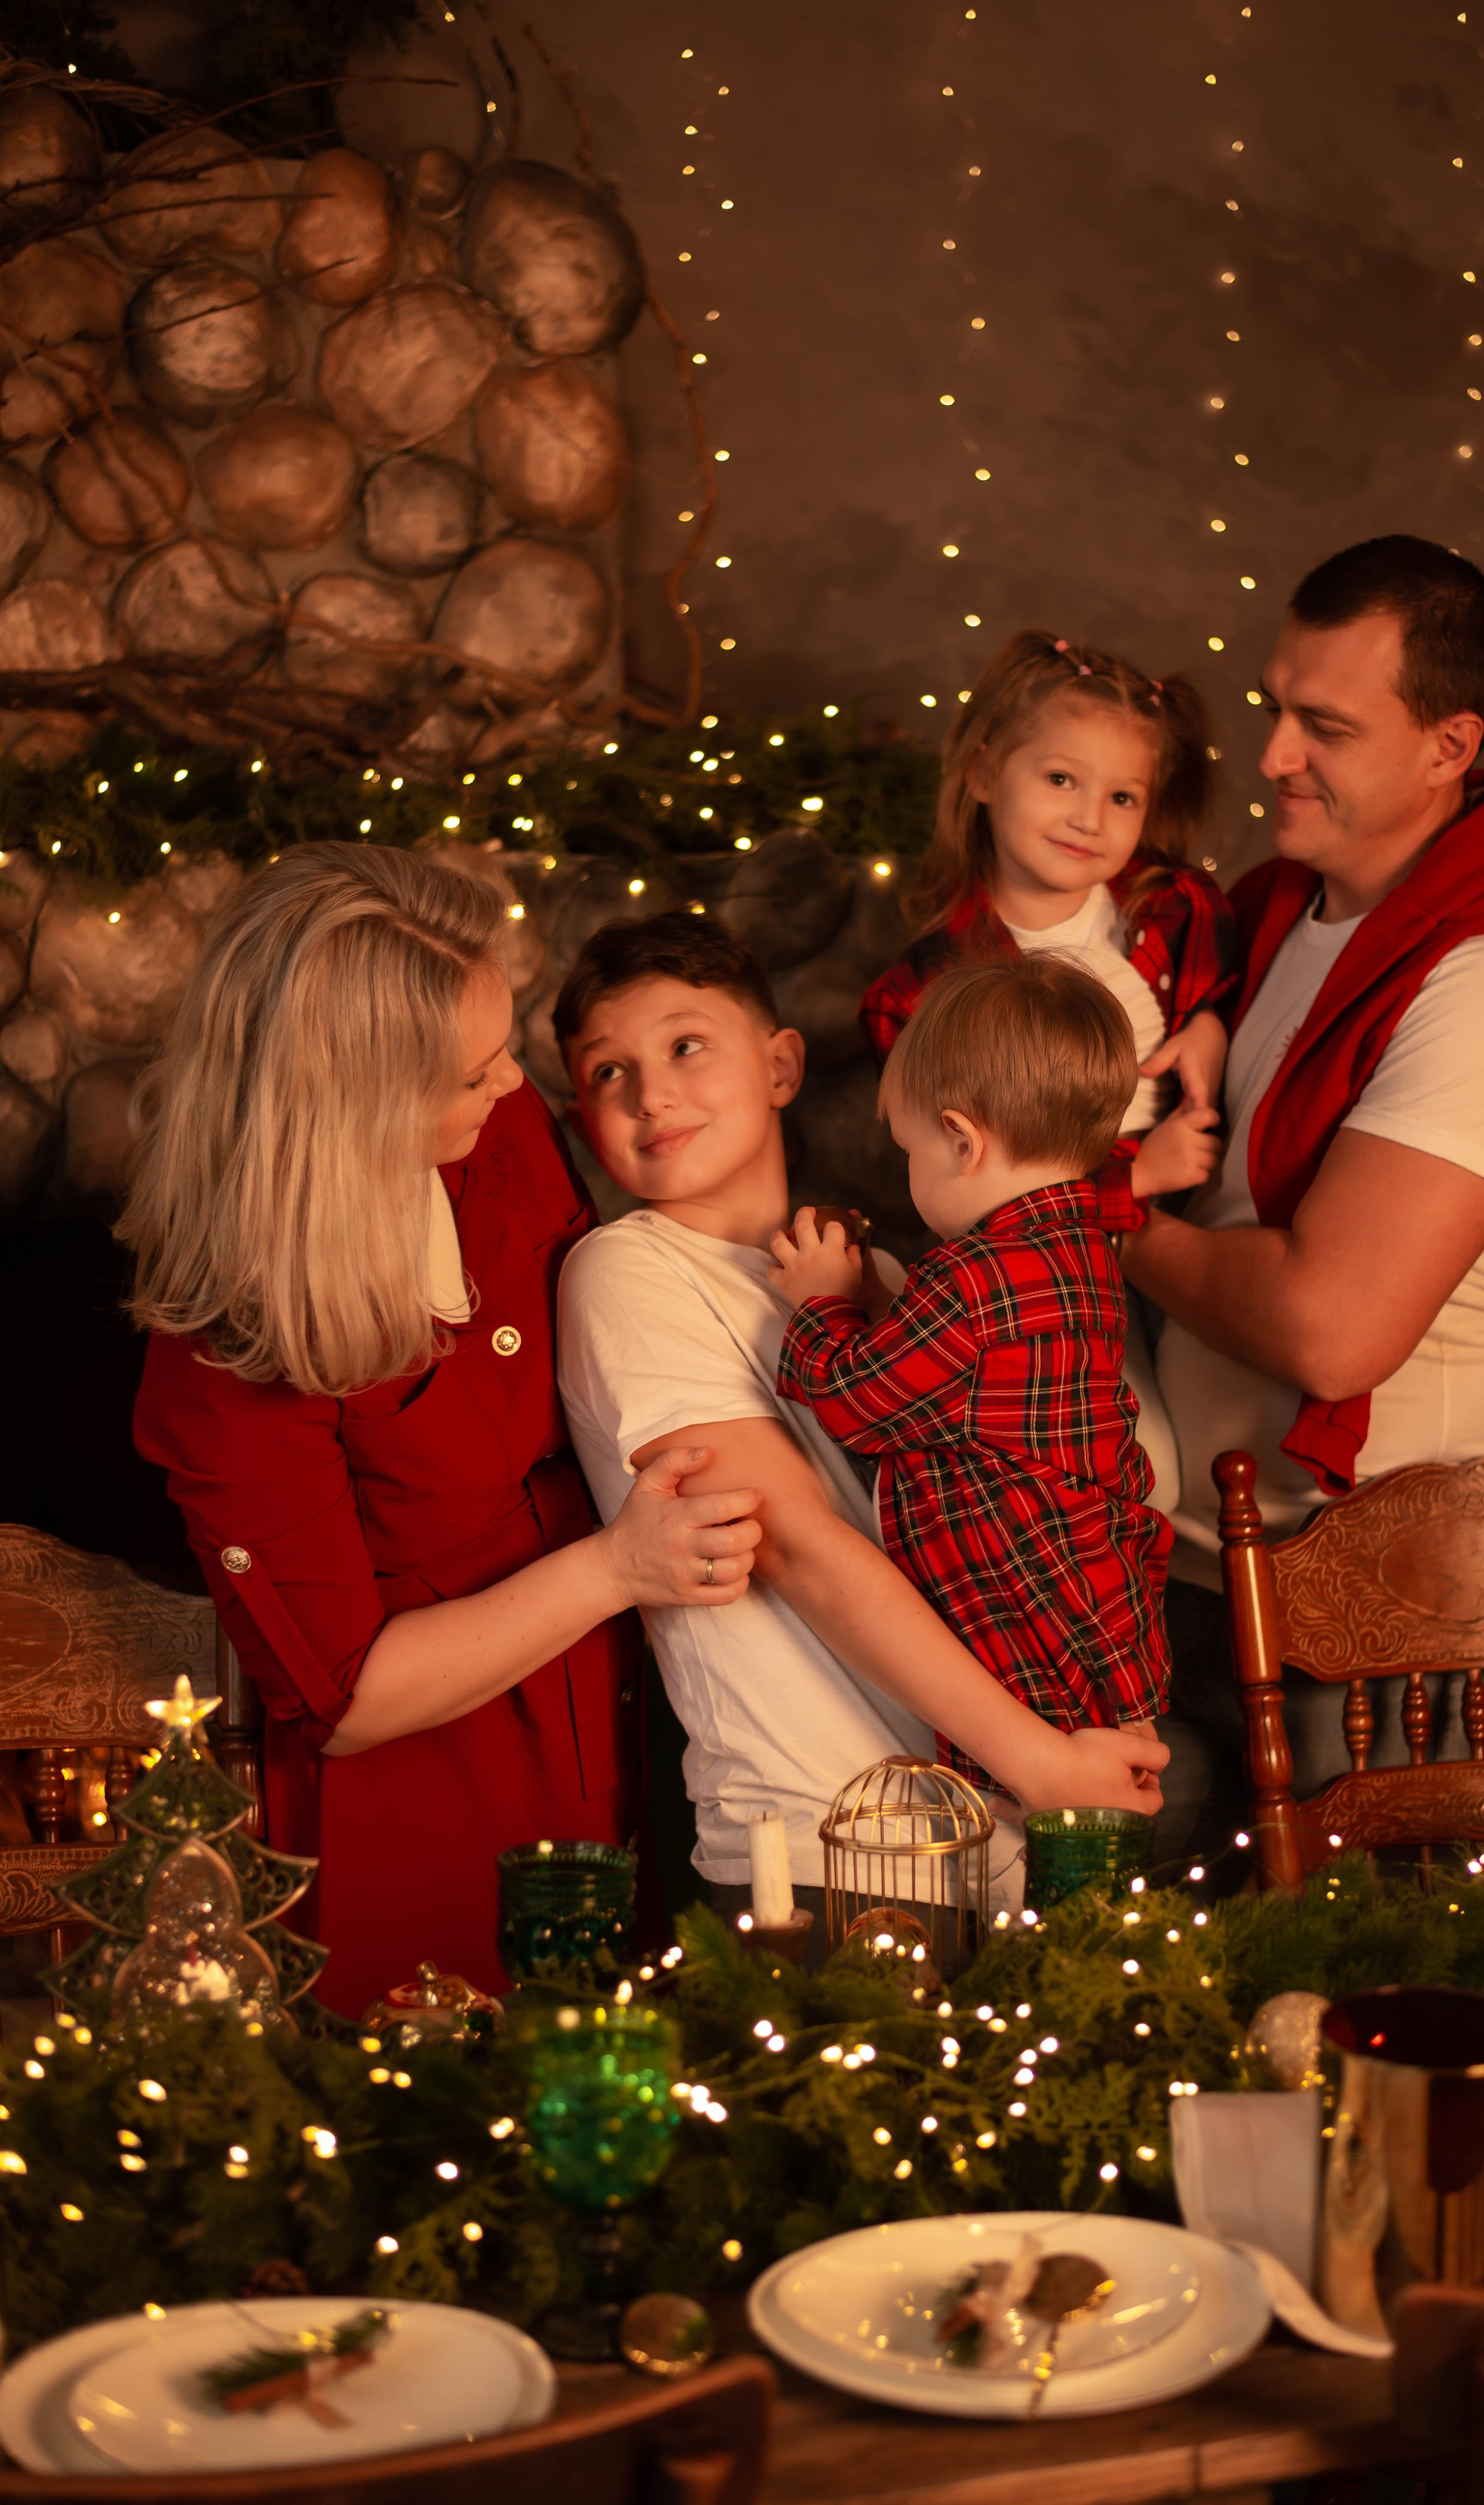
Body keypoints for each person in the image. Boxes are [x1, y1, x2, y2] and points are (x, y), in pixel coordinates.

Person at [125, 847, 764, 2016]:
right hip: (432, 1790)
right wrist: (618, 1565)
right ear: (354, 1109)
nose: (517, 1084)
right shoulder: (226, 1350)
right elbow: (351, 1699)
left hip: (626, 1713)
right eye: (473, 1072)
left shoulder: (497, 1133)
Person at [1120, 537, 1484, 1862]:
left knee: (1383, 2037)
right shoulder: (1265, 915)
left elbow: (1328, 1328)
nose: (1274, 755)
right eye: (1273, 710)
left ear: (1446, 744)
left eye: (1324, 726)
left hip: (1399, 1632)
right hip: (1196, 1581)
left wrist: (1094, 1214)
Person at [552, 914, 1169, 1930]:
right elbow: (790, 1542)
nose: (650, 1092)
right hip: (820, 1842)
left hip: (1008, 1830)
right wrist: (1042, 1758)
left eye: (685, 1045)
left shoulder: (889, 1280)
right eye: (606, 1072)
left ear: (783, 1064)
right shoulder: (630, 1270)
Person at [770, 954, 1171, 1793]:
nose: (908, 1170)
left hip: (1025, 1607)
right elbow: (958, 1384)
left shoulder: (974, 1277)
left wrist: (818, 1305)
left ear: (961, 1139)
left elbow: (855, 1403)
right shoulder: (1083, 1252)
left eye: (910, 1149)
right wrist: (880, 1299)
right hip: (1093, 1601)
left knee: (1039, 1841)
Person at [859, 629, 1237, 1509]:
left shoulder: (1165, 910)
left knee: (1192, 1471)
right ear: (986, 772)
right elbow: (976, 1169)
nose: (1088, 817)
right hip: (1040, 1266)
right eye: (1060, 779)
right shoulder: (940, 984)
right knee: (1132, 1477)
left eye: (1122, 795)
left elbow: (1225, 989)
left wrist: (1212, 1019)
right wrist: (1135, 1175)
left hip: (1184, 1231)